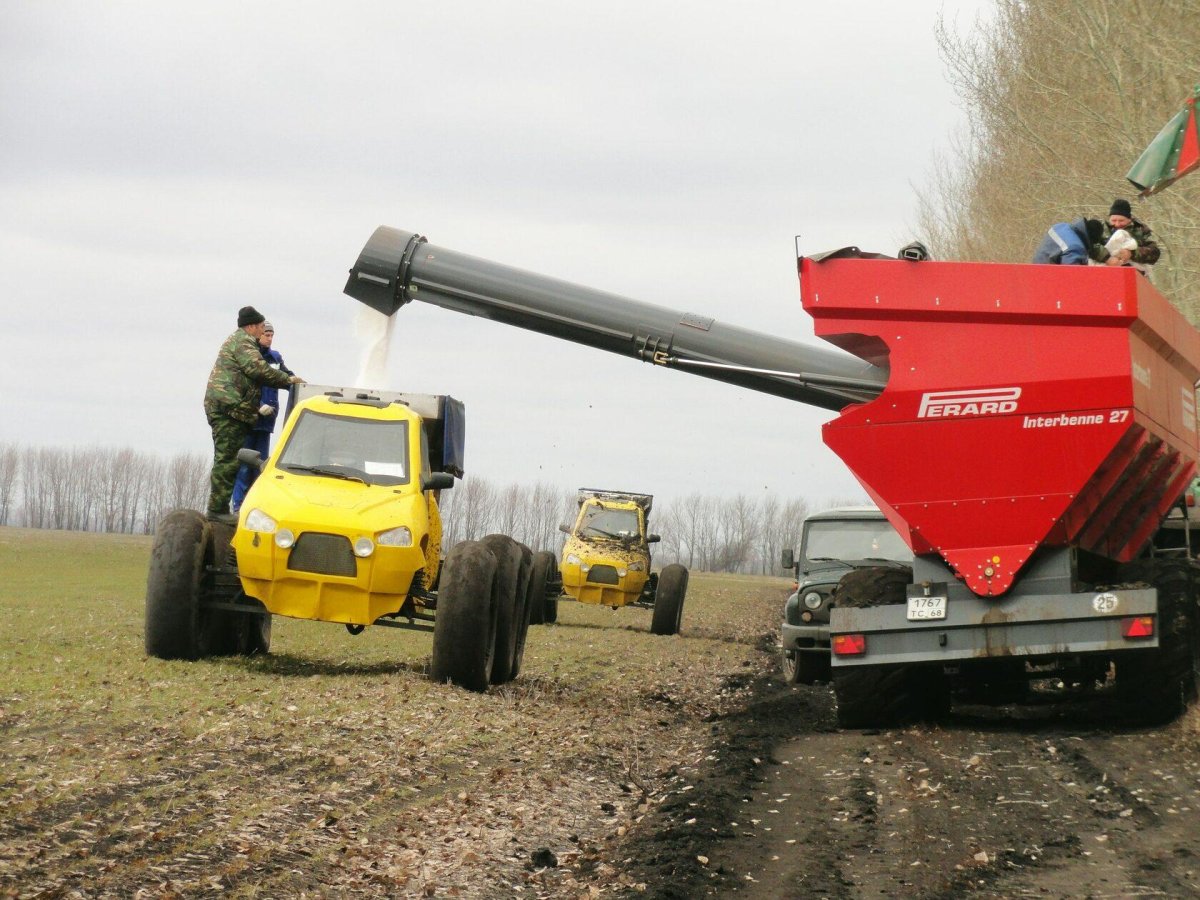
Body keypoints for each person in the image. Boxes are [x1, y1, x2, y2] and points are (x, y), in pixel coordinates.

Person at [204, 306, 303, 522]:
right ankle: (217, 512)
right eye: (260, 327)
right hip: (229, 409)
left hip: (232, 410)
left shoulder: (243, 342)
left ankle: (219, 509)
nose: (262, 331)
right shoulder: (243, 343)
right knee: (228, 460)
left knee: (229, 459)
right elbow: (257, 369)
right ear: (251, 327)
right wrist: (288, 381)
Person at [230, 321, 294, 513]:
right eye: (266, 334)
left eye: (272, 335)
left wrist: (299, 383)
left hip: (266, 422)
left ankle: (255, 505)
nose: (269, 338)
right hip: (249, 420)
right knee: (244, 465)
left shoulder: (275, 358)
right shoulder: (250, 357)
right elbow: (240, 387)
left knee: (261, 465)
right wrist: (256, 407)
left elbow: (287, 378)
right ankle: (238, 505)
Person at [1092, 198, 1160, 268]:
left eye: (1121, 221)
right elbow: (1090, 245)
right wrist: (1107, 258)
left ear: (1129, 219)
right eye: (1114, 220)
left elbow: (1154, 252)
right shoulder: (1100, 229)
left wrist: (1132, 253)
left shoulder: (1141, 230)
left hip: (1133, 273)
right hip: (1103, 271)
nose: (1117, 224)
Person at [1032, 218, 1105, 265]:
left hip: (1035, 269)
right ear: (1090, 240)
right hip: (1047, 280)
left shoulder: (1060, 226)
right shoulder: (1075, 248)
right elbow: (1072, 276)